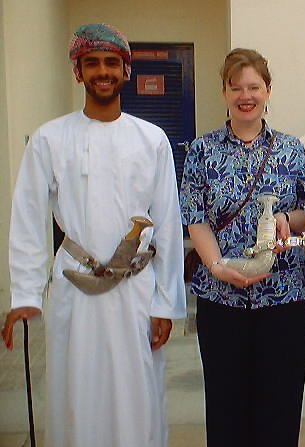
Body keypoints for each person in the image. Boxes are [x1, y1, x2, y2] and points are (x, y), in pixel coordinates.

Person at [1, 24, 186, 447]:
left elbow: (169, 226)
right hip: (74, 290)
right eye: (91, 63)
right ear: (78, 73)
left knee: (137, 395)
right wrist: (26, 296)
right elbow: (28, 217)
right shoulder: (50, 138)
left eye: (110, 63)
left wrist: (166, 303)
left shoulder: (152, 140)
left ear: (125, 71)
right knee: (75, 393)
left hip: (135, 292)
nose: (102, 71)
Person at [179, 48, 305, 447]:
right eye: (235, 86)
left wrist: (291, 221)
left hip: (283, 297)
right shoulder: (202, 152)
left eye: (254, 86)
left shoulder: (292, 150)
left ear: (268, 90)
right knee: (226, 405)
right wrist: (217, 265)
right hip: (220, 298)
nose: (245, 94)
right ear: (223, 92)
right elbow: (196, 216)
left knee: (281, 403)